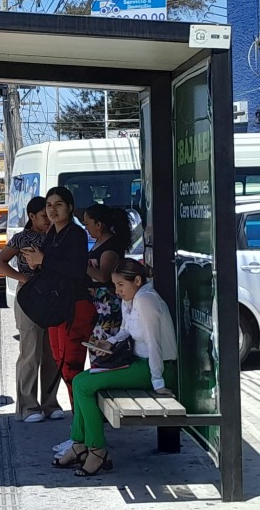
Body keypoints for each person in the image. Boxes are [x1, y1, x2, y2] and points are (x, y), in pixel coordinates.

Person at [52, 258, 177, 476]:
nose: (117, 291)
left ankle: (96, 449)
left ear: (137, 281)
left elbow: (154, 342)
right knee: (81, 380)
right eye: (115, 285)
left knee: (83, 386)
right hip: (139, 363)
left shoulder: (146, 300)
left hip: (154, 368)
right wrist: (108, 343)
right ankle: (80, 444)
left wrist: (158, 382)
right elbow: (126, 330)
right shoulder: (133, 299)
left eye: (121, 285)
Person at [21, 186, 91, 455]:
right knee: (64, 370)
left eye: (59, 204)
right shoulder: (52, 233)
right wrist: (39, 263)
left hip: (75, 308)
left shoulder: (75, 234)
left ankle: (81, 437)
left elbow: (76, 269)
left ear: (70, 208)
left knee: (73, 371)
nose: (52, 209)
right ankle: (78, 434)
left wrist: (44, 259)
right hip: (57, 309)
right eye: (49, 205)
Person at [0, 196, 64, 423]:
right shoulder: (21, 238)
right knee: (30, 352)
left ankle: (50, 403)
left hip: (53, 298)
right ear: (32, 216)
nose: (48, 219)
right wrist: (21, 277)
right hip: (29, 300)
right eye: (44, 215)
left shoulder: (58, 236)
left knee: (52, 353)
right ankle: (28, 406)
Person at [83, 203, 132, 344]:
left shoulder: (110, 246)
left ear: (98, 224)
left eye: (88, 224)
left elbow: (103, 276)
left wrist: (81, 265)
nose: (86, 228)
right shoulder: (100, 241)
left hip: (107, 301)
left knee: (103, 340)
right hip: (97, 301)